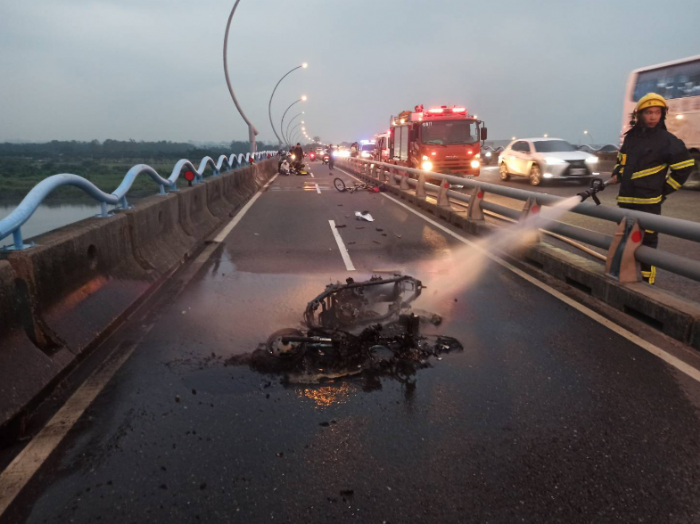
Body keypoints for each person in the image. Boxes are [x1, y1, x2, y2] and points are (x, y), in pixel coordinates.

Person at [610, 92, 695, 284]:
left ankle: (649, 283)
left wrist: (664, 190)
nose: (653, 117)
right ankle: (624, 276)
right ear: (639, 114)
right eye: (649, 112)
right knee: (625, 241)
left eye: (657, 112)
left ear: (662, 115)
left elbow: (684, 167)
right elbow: (621, 160)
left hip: (649, 204)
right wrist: (617, 172)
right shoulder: (630, 138)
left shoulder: (667, 140)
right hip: (625, 201)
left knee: (647, 244)